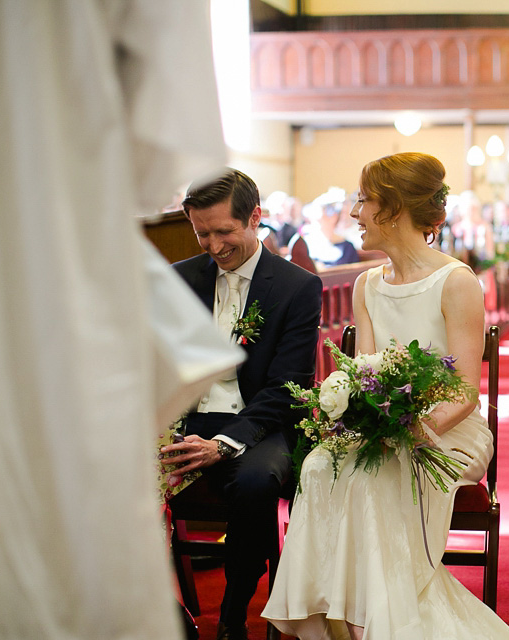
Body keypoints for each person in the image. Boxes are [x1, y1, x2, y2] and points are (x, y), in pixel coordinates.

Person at [263, 153, 509, 639]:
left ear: (395, 208)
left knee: (374, 480)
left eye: (364, 200)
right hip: (385, 427)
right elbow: (366, 376)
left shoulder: (456, 281)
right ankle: (332, 619)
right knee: (318, 467)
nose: (355, 213)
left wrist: (410, 432)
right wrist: (360, 419)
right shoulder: (366, 285)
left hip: (447, 432)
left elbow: (464, 392)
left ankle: (378, 621)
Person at [162, 168, 323, 640]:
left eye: (224, 232)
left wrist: (224, 443)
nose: (213, 246)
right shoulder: (180, 278)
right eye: (202, 233)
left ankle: (233, 613)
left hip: (260, 422)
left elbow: (287, 385)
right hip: (186, 418)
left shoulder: (297, 287)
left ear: (255, 217)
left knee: (255, 482)